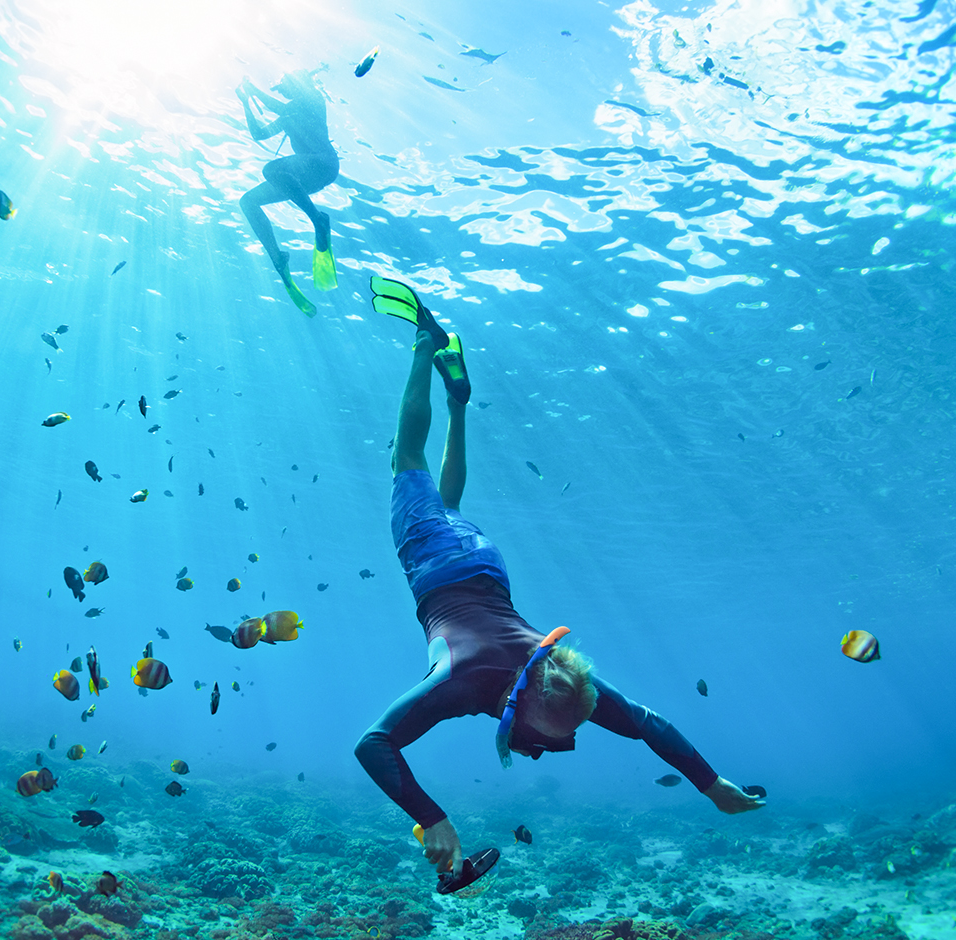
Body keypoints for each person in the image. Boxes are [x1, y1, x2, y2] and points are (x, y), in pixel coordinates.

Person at [353, 277, 765, 876]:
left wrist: (712, 784)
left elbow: (648, 725)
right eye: (545, 741)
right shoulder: (466, 680)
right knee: (406, 463)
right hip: (440, 567)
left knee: (449, 505)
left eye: (559, 743)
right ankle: (424, 341)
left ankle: (459, 404)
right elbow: (372, 744)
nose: (545, 752)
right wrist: (431, 814)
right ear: (519, 704)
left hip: (486, 564)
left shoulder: (558, 686)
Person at [234, 71, 338, 317]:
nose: (283, 91)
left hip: (322, 163)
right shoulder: (289, 112)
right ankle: (276, 256)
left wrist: (252, 90)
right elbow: (260, 134)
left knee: (271, 169)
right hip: (302, 177)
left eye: (285, 87)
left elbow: (276, 106)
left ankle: (318, 219)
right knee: (248, 201)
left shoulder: (313, 98)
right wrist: (246, 103)